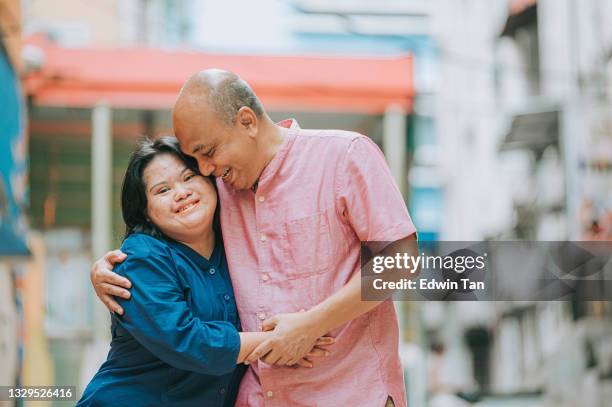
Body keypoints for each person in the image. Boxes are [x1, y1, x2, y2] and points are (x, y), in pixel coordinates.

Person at [91, 69, 418, 407]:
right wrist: (110, 268)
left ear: (247, 121)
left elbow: (403, 259)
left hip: (348, 393)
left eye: (208, 151)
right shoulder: (219, 186)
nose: (203, 170)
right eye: (196, 159)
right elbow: (170, 242)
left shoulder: (344, 155)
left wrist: (312, 324)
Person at [79, 137, 331, 406]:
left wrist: (304, 330)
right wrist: (279, 341)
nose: (181, 192)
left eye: (189, 177)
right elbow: (188, 341)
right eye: (162, 190)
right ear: (146, 212)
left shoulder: (237, 247)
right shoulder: (143, 257)